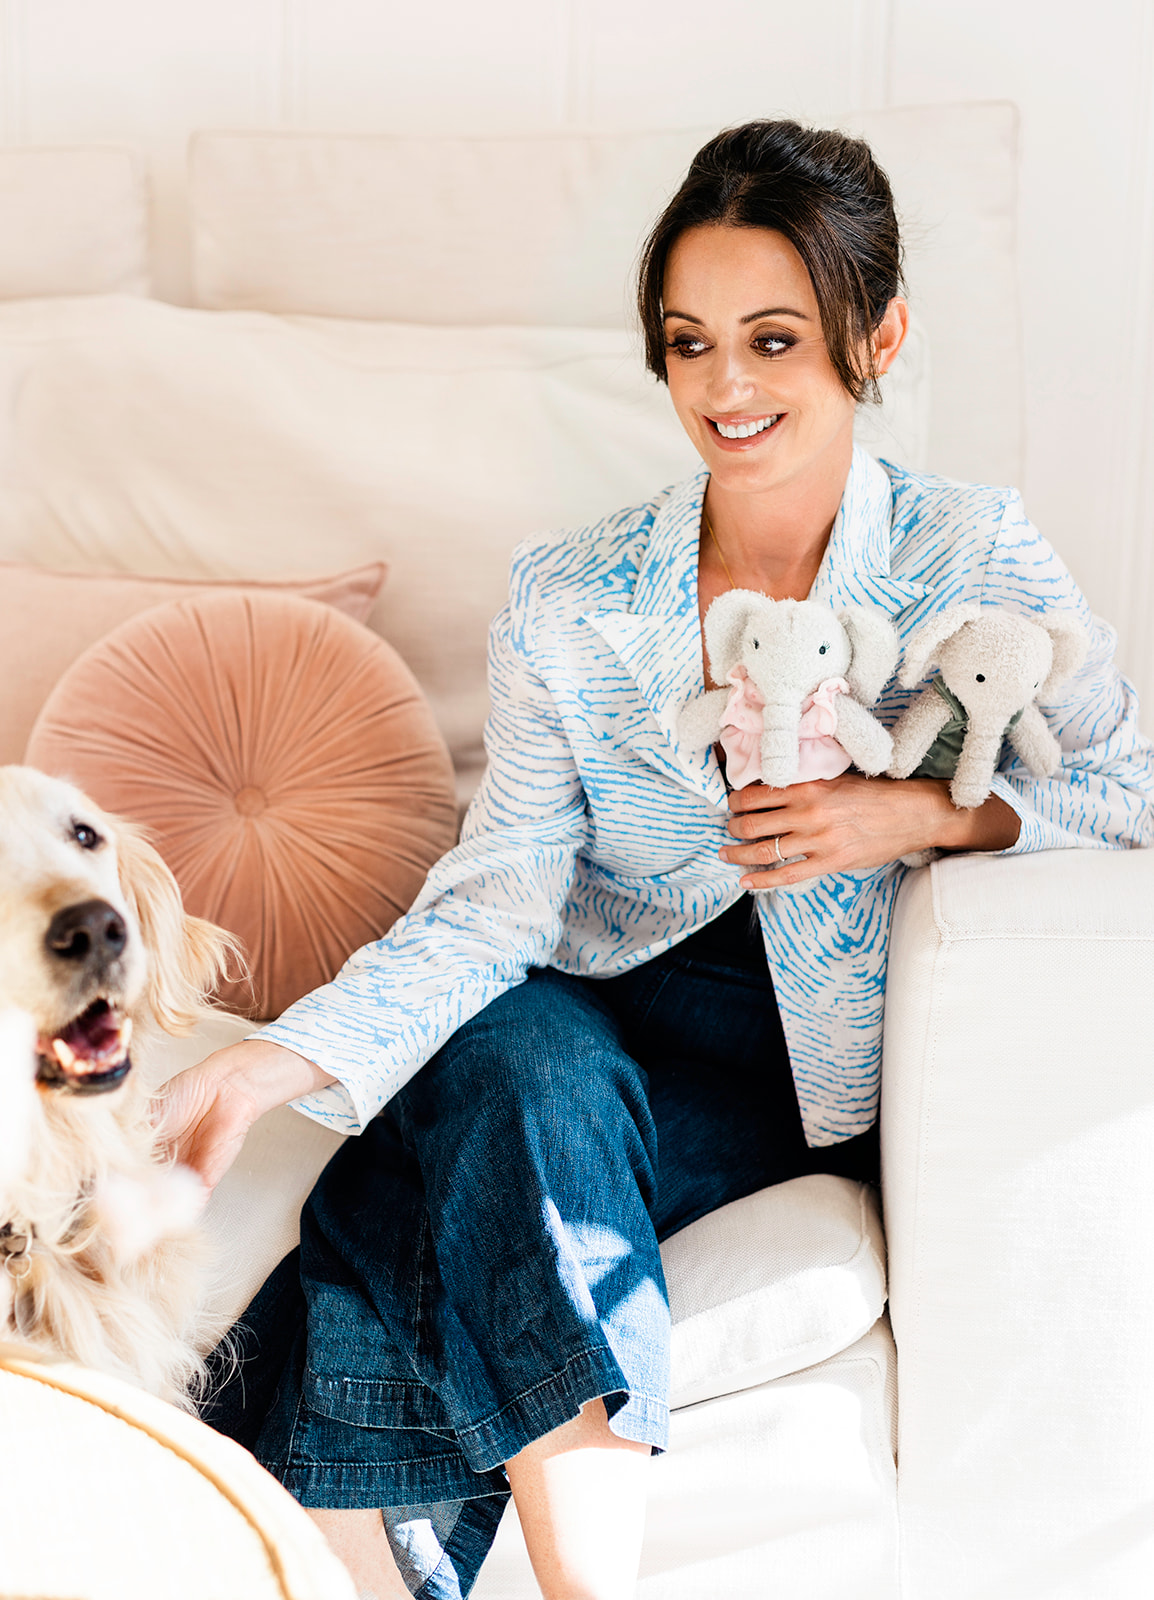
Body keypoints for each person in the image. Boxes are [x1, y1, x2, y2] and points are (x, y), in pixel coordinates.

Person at [161, 120, 1154, 1600]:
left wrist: (933, 818)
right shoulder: (568, 594)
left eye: (772, 339)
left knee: (391, 1197)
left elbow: (1128, 787)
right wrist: (272, 1065)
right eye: (689, 344)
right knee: (510, 1070)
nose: (725, 388)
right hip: (591, 996)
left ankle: (321, 1533)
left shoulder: (968, 547)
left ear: (875, 336)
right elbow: (499, 899)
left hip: (806, 1065)